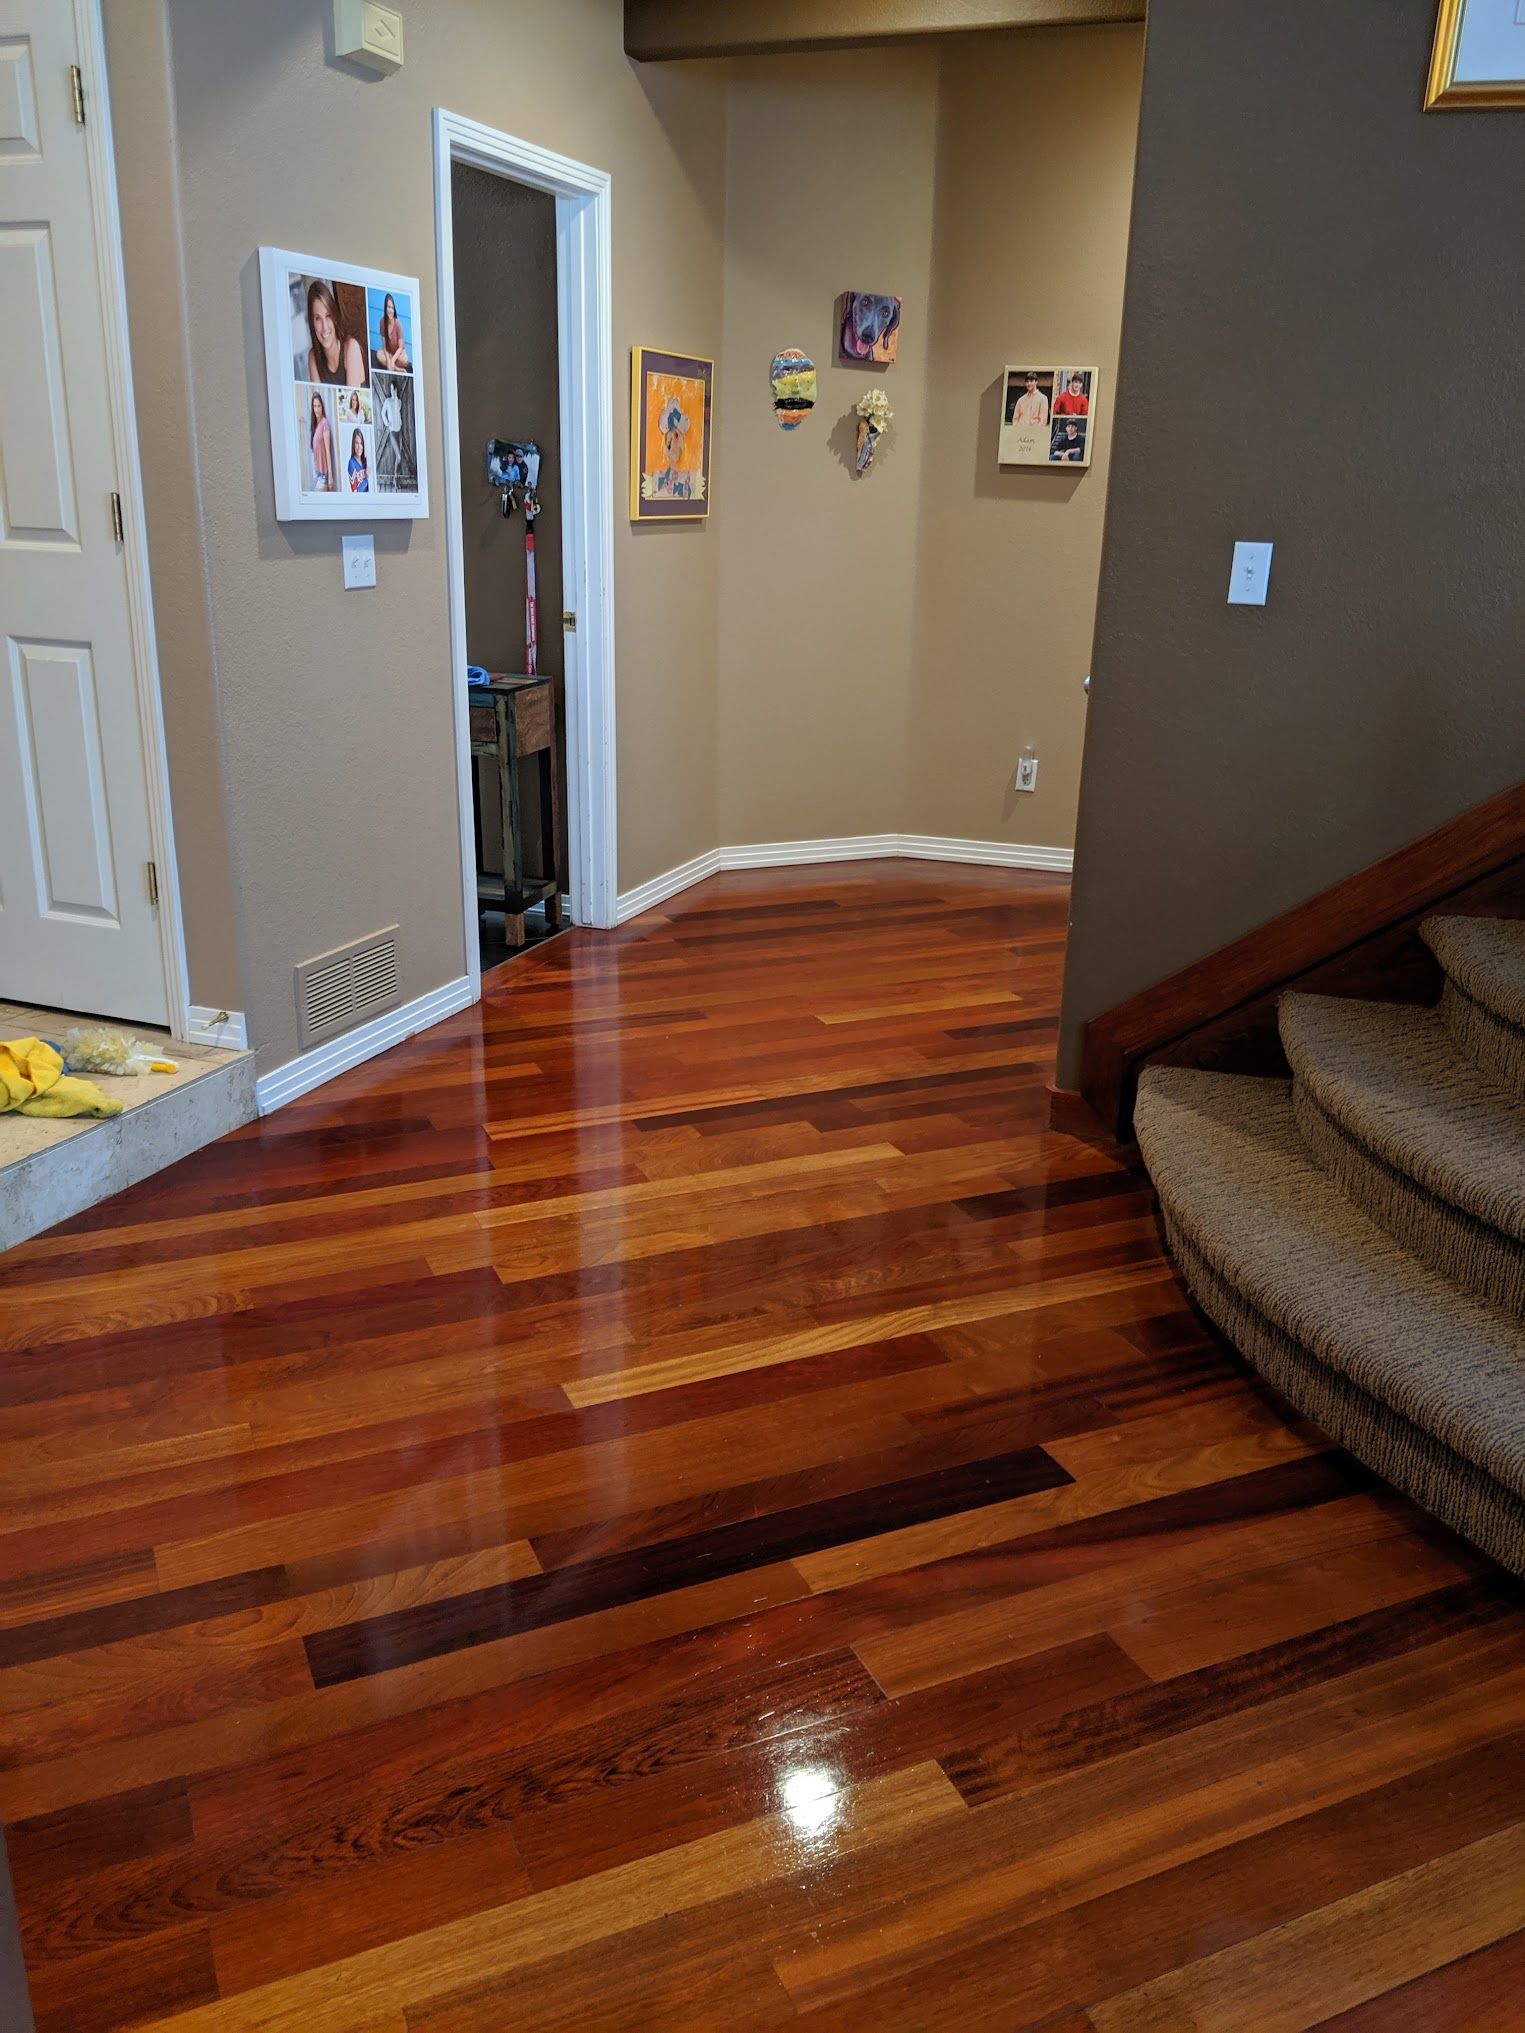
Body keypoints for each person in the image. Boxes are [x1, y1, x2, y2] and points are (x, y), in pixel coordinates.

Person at [305, 279, 366, 388]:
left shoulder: (351, 347)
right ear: (311, 323)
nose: (324, 327)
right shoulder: (313, 356)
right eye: (317, 318)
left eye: (328, 316)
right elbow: (318, 399)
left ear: (334, 317)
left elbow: (351, 403)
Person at [373, 292, 411, 372]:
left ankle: (391, 365)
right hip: (389, 353)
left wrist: (392, 360)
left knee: (404, 360)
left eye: (392, 308)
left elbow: (400, 347)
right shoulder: (382, 322)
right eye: (388, 307)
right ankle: (397, 369)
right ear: (385, 308)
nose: (390, 310)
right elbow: (384, 346)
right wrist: (388, 359)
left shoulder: (398, 324)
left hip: (399, 354)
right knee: (378, 355)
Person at [309, 390, 334, 490]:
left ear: (322, 407)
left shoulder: (324, 423)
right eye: (315, 406)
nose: (317, 409)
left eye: (319, 406)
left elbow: (328, 451)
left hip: (324, 474)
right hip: (317, 471)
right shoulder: (315, 425)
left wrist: (330, 477)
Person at [347, 427, 369, 493]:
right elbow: (355, 491)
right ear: (353, 444)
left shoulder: (366, 461)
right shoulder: (351, 463)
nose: (359, 447)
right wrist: (366, 479)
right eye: (356, 443)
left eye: (361, 443)